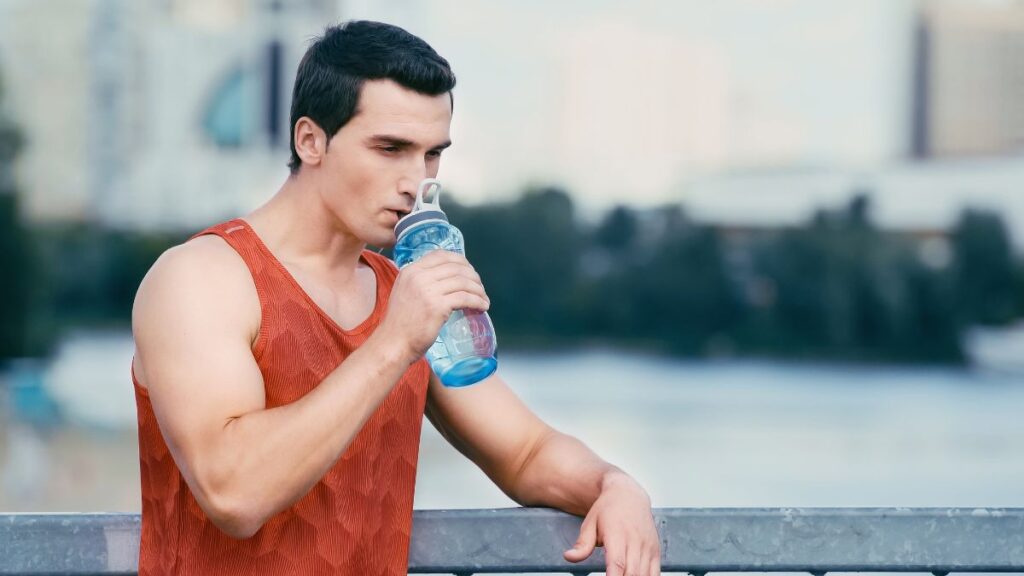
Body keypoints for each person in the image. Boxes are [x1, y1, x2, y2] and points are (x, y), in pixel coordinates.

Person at [131, 20, 660, 576]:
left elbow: (525, 452)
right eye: (390, 148)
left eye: (433, 154)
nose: (418, 181)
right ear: (310, 140)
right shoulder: (200, 278)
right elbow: (233, 493)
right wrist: (395, 342)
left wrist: (614, 484)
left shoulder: (402, 291)